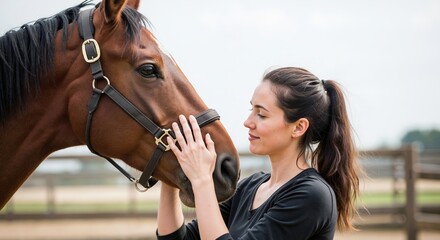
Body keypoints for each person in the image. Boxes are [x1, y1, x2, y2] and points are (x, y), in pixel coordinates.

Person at [157, 67, 362, 240]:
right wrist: (170, 173)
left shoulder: (312, 196)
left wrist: (202, 180)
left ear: (299, 127)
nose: (248, 122)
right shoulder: (250, 187)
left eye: (261, 114)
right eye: (251, 110)